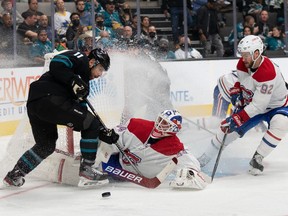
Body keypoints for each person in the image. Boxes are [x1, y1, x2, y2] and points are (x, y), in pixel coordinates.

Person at [3, 48, 119, 188]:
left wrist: (102, 131)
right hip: (50, 98)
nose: (100, 74)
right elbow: (57, 63)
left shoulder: (84, 85)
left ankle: (15, 174)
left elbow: (81, 116)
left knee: (46, 145)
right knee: (91, 123)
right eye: (100, 69)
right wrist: (73, 80)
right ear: (92, 62)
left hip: (36, 103)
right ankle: (87, 170)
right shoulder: (81, 59)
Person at [198, 35, 288, 175]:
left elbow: (259, 106)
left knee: (281, 123)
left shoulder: (267, 72)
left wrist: (238, 117)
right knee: (228, 130)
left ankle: (258, 157)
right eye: (242, 54)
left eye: (246, 55)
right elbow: (243, 83)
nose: (242, 58)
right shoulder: (243, 64)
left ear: (257, 53)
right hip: (255, 103)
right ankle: (205, 158)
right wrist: (237, 91)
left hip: (277, 106)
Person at [97, 109, 209, 190]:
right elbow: (114, 136)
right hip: (117, 165)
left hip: (131, 177)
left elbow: (191, 163)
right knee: (98, 152)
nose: (159, 124)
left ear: (173, 129)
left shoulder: (174, 147)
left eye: (165, 123)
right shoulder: (137, 125)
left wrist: (190, 172)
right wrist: (109, 138)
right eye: (160, 119)